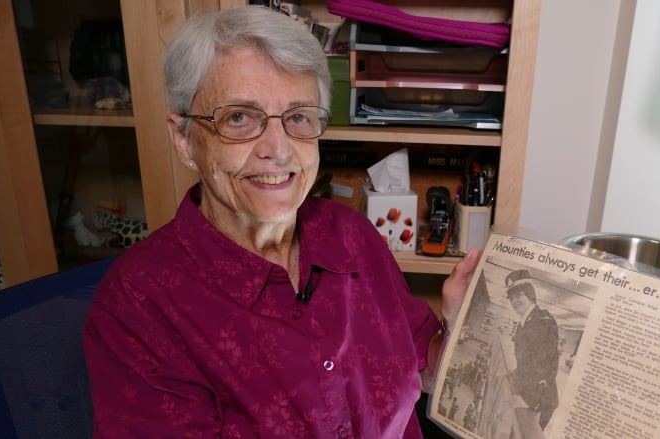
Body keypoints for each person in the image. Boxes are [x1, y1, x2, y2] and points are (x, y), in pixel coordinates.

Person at [82, 6, 479, 438]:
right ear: (184, 140)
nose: (279, 149)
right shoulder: (138, 305)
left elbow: (425, 373)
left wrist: (459, 323)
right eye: (239, 117)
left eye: (298, 117)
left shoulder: (351, 235)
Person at [505, 270, 559, 437]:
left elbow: (547, 364)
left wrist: (528, 399)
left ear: (530, 294)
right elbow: (525, 361)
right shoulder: (525, 322)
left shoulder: (543, 321)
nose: (515, 301)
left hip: (539, 400)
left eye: (518, 295)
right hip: (527, 391)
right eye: (511, 297)